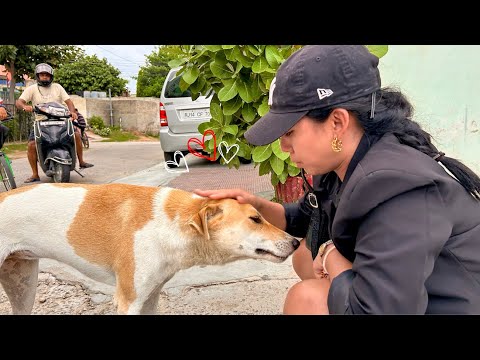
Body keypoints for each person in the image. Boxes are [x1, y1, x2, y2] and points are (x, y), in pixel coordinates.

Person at [194, 45, 480, 314]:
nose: (283, 145)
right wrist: (256, 205)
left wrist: (330, 254)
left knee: (305, 297)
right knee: (305, 256)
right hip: (415, 294)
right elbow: (307, 216)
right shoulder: (346, 163)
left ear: (337, 123)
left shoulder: (396, 187)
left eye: (289, 131)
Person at [15, 63, 94, 183]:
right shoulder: (32, 89)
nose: (45, 77)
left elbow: (69, 102)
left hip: (60, 120)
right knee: (31, 145)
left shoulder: (58, 87)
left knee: (76, 135)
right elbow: (19, 102)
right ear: (38, 76)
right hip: (41, 121)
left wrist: (72, 112)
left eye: (47, 75)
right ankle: (35, 174)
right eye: (42, 75)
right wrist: (25, 106)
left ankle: (81, 161)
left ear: (51, 76)